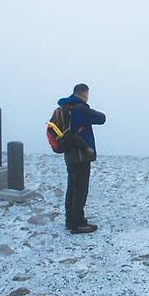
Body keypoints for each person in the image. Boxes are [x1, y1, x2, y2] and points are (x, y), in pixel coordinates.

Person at [58, 84, 106, 234]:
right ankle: (78, 223)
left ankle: (69, 220)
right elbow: (101, 118)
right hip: (81, 154)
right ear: (85, 94)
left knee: (72, 188)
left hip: (69, 154)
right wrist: (89, 108)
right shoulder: (81, 108)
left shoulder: (65, 108)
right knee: (80, 190)